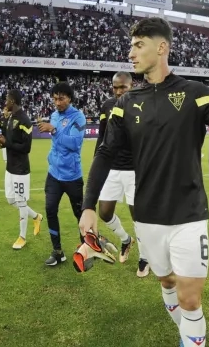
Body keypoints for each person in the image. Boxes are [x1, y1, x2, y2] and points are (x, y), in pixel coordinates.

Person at [79, 17, 209, 347]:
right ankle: (186, 331)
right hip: (146, 216)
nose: (130, 52)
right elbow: (104, 154)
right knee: (167, 281)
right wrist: (89, 207)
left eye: (138, 45)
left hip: (189, 215)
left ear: (161, 48)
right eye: (131, 45)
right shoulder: (124, 105)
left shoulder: (196, 94)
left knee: (190, 301)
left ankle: (189, 332)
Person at [95, 71, 145, 275]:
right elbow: (101, 137)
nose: (118, 91)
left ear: (131, 86)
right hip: (111, 168)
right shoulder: (107, 106)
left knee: (138, 217)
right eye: (115, 87)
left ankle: (145, 257)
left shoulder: (142, 105)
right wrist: (96, 164)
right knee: (104, 212)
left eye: (122, 87)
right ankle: (126, 240)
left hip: (134, 170)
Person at [37, 82, 87, 267]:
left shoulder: (79, 117)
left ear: (70, 98)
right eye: (55, 99)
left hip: (72, 176)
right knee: (50, 211)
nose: (57, 103)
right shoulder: (54, 115)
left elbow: (74, 144)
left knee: (79, 215)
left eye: (61, 99)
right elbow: (56, 143)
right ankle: (58, 252)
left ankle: (85, 249)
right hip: (54, 175)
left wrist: (54, 130)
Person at [0, 90, 43, 250]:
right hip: (10, 167)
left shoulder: (24, 120)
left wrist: (7, 144)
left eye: (7, 100)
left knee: (21, 202)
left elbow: (26, 147)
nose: (5, 102)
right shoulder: (10, 118)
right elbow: (10, 140)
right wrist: (3, 142)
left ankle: (22, 237)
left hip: (21, 169)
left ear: (13, 101)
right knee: (11, 200)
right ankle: (36, 217)